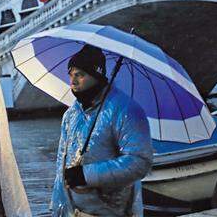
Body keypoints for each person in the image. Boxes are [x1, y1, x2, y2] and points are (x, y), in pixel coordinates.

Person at [50, 45, 152, 217]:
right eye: (71, 75)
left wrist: (86, 175)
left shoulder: (125, 110)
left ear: (96, 75)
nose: (72, 82)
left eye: (80, 75)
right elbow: (61, 167)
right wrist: (58, 209)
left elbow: (139, 162)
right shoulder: (70, 115)